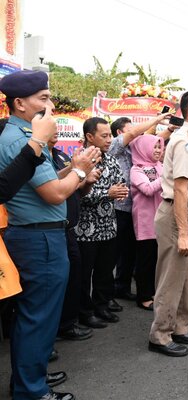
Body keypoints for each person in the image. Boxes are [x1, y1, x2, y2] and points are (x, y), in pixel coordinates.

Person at [0, 70, 99, 400]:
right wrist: (81, 171)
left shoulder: (23, 135)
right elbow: (55, 194)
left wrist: (74, 167)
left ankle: (33, 375)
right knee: (37, 317)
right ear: (20, 103)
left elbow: (43, 181)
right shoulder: (22, 139)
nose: (50, 105)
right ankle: (30, 390)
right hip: (38, 238)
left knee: (38, 315)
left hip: (37, 236)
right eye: (43, 98)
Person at [148, 89, 188, 357]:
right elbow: (180, 190)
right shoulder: (185, 141)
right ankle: (160, 335)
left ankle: (181, 328)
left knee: (187, 275)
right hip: (178, 213)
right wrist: (183, 232)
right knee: (171, 278)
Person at [109, 115, 172, 302]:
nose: (138, 132)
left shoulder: (137, 151)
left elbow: (152, 143)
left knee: (130, 253)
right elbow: (140, 136)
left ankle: (123, 288)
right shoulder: (117, 147)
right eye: (132, 129)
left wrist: (169, 129)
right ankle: (109, 294)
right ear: (121, 133)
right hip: (120, 207)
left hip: (135, 209)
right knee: (115, 253)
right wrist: (158, 118)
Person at [75, 117, 129, 327]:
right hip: (86, 229)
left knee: (105, 271)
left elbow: (120, 183)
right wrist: (108, 193)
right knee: (84, 274)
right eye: (104, 136)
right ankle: (84, 312)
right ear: (90, 136)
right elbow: (77, 192)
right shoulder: (80, 160)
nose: (109, 140)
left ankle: (101, 306)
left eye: (110, 135)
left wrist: (118, 190)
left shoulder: (111, 159)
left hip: (108, 226)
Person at [49, 133, 102, 341]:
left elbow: (78, 191)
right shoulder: (40, 160)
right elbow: (53, 189)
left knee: (73, 278)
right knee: (51, 285)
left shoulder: (63, 157)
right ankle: (51, 332)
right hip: (50, 229)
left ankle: (68, 324)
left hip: (68, 228)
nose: (54, 129)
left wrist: (86, 181)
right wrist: (77, 171)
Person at [129, 134, 164, 311]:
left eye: (159, 147)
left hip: (161, 220)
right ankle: (143, 296)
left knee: (157, 259)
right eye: (154, 147)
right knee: (145, 260)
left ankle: (153, 293)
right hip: (145, 221)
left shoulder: (160, 166)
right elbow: (148, 189)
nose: (158, 150)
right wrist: (168, 176)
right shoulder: (136, 169)